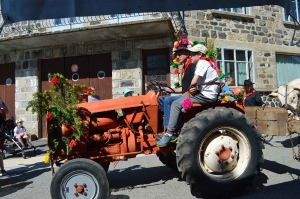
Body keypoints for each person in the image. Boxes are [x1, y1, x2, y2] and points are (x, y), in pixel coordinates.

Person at [157, 44, 220, 147]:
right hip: (203, 93)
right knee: (173, 102)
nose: (190, 56)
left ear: (200, 54)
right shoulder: (201, 63)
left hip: (206, 96)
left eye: (193, 54)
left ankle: (170, 133)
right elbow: (194, 84)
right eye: (190, 53)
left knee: (176, 104)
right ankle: (171, 130)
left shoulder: (202, 63)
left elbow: (194, 81)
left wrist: (192, 88)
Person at [157, 44, 196, 136]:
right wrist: (171, 90)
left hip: (190, 96)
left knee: (168, 100)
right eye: (177, 54)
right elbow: (184, 88)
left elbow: (192, 87)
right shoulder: (185, 68)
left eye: (180, 54)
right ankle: (167, 124)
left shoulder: (192, 67)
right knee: (161, 101)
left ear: (187, 54)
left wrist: (184, 96)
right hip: (184, 95)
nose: (178, 56)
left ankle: (169, 130)